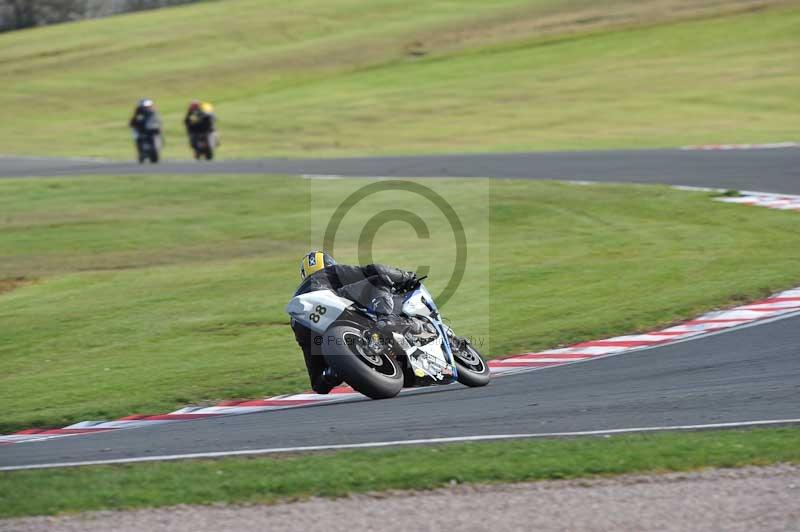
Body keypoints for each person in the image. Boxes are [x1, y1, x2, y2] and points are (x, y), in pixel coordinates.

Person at [292, 251, 420, 394]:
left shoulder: (300, 298)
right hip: (334, 307)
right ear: (329, 263)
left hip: (302, 324)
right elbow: (375, 270)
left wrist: (337, 369)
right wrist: (406, 276)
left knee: (318, 379)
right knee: (378, 279)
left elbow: (318, 387)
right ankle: (385, 319)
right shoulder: (328, 272)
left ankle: (332, 373)